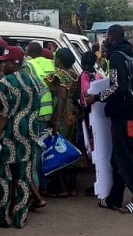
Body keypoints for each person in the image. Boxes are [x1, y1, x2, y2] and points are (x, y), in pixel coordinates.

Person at [86, 25, 133, 215]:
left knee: (125, 159)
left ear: (112, 37)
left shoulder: (116, 57)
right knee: (119, 157)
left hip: (122, 117)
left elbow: (117, 87)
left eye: (107, 38)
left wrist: (96, 98)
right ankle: (114, 199)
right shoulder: (130, 53)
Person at [0, 46, 41, 228]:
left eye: (5, 61)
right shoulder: (36, 81)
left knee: (3, 180)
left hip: (8, 138)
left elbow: (3, 115)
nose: (2, 65)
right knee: (23, 179)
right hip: (28, 137)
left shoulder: (5, 84)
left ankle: (2, 218)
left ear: (15, 62)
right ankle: (20, 218)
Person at [45, 48, 80, 197]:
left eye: (56, 57)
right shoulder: (74, 74)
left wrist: (56, 120)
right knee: (71, 148)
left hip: (63, 112)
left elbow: (62, 97)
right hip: (73, 112)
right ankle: (72, 186)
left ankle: (61, 187)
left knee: (58, 148)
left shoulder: (60, 75)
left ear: (60, 60)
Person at [24, 42, 56, 196]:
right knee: (46, 148)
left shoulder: (29, 64)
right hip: (49, 109)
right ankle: (47, 183)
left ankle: (39, 185)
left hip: (36, 111)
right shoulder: (51, 63)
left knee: (36, 151)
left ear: (31, 53)